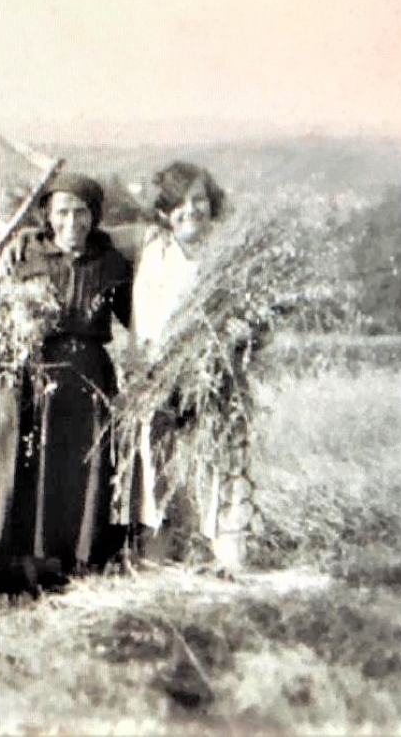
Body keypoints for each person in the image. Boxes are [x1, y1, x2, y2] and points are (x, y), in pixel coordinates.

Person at [0, 172, 133, 590]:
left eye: (81, 212)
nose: (72, 222)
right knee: (23, 463)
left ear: (95, 217)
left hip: (87, 376)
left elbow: (135, 316)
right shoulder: (26, 257)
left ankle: (74, 563)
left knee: (80, 467)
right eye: (62, 212)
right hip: (33, 373)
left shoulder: (112, 262)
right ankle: (9, 563)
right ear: (47, 216)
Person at [122, 161, 252, 570]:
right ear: (164, 211)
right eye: (179, 203)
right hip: (160, 370)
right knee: (154, 452)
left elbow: (258, 316)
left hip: (214, 371)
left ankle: (223, 546)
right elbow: (92, 237)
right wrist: (32, 237)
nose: (190, 209)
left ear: (212, 204)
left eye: (199, 200)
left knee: (221, 453)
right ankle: (157, 543)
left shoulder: (231, 253)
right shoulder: (152, 248)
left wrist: (243, 329)